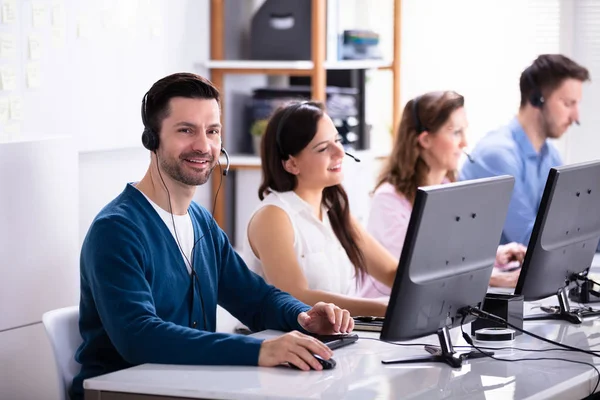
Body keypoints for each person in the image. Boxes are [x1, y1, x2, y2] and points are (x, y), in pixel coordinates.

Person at [70, 74, 355, 400]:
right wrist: (260, 350)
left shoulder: (201, 223)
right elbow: (139, 336)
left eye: (212, 131)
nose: (204, 146)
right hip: (124, 393)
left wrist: (301, 316)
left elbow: (257, 299)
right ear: (152, 139)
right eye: (186, 130)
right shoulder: (117, 230)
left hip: (193, 389)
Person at [242, 101, 397, 318]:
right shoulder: (273, 216)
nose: (340, 152)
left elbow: (391, 273)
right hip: (288, 343)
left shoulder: (333, 210)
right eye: (324, 148)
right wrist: (381, 309)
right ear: (291, 164)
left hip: (339, 338)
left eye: (337, 140)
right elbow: (295, 297)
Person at [364, 91, 527, 298]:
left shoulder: (445, 186)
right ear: (425, 139)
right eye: (456, 132)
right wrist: (493, 278)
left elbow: (448, 258)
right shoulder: (388, 200)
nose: (465, 142)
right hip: (384, 315)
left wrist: (495, 257)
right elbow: (414, 273)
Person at [460, 54, 590, 246]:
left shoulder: (550, 156)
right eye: (568, 104)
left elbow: (564, 227)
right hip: (495, 272)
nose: (575, 117)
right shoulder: (498, 155)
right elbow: (531, 239)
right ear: (537, 99)